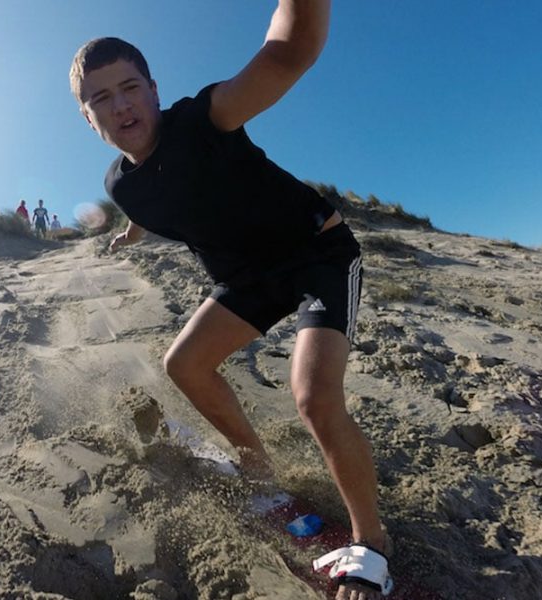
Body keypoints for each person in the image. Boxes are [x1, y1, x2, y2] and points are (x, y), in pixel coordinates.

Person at [70, 2, 391, 597]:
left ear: (154, 91)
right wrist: (130, 234)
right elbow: (145, 200)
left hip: (316, 254)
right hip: (247, 279)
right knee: (185, 365)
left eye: (131, 87)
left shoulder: (204, 119)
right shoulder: (120, 184)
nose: (120, 105)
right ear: (88, 118)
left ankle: (371, 542)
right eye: (102, 99)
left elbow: (286, 54)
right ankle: (257, 466)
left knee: (314, 398)